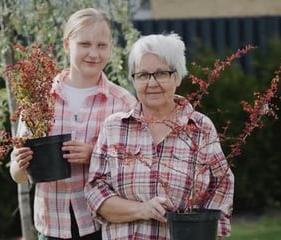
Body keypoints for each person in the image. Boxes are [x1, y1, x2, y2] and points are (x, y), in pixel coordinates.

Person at [85, 33, 235, 239]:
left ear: (178, 76)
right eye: (143, 75)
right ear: (134, 80)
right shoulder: (114, 128)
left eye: (161, 73)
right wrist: (143, 209)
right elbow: (95, 193)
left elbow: (222, 185)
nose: (152, 83)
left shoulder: (200, 128)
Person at [10, 8, 137, 240]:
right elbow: (17, 175)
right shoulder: (39, 99)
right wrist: (21, 164)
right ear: (67, 45)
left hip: (102, 227)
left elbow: (137, 169)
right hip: (50, 227)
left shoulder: (123, 103)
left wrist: (95, 156)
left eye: (102, 45)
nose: (93, 53)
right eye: (85, 44)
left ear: (111, 48)